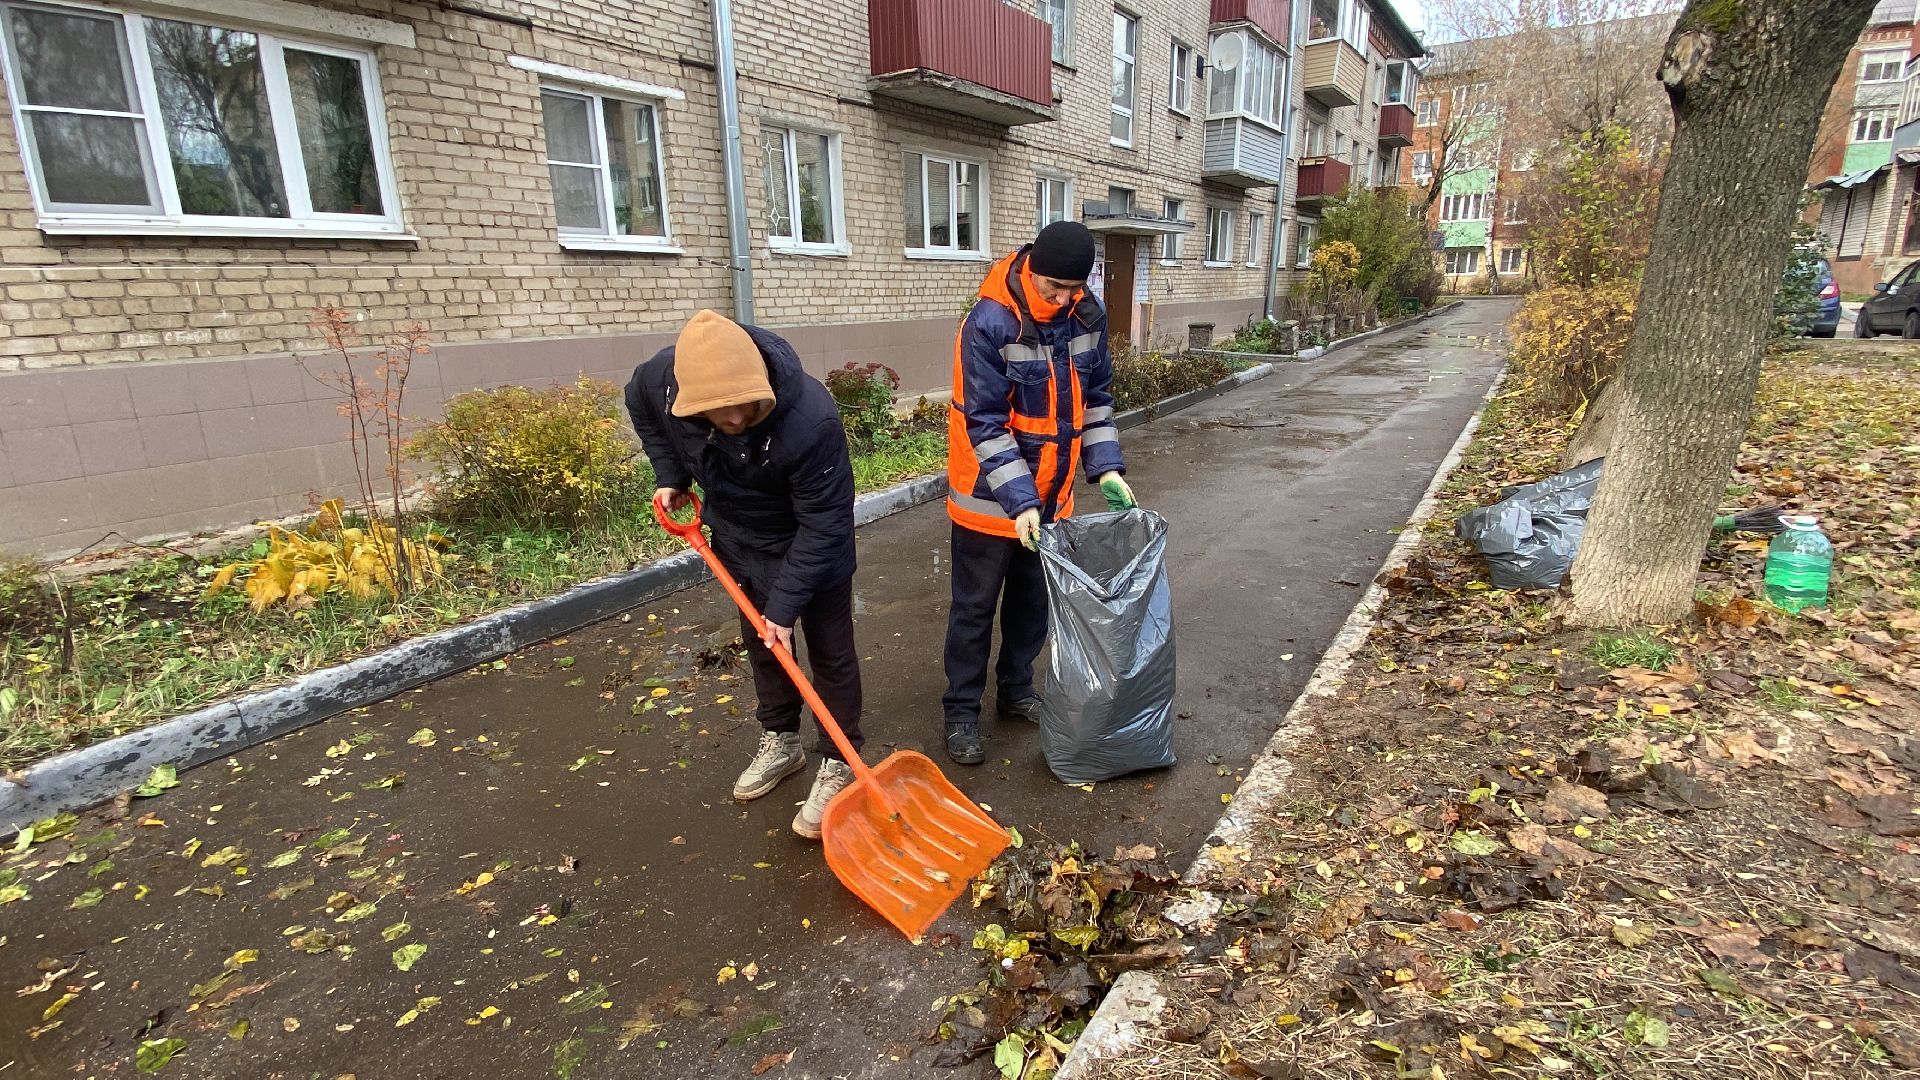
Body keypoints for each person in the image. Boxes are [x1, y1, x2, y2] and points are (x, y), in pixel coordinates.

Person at [625, 310, 862, 839]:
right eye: (717, 409)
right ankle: (782, 740)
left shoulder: (811, 419)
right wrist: (671, 474)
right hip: (737, 538)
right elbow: (638, 402)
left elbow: (824, 523)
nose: (732, 418)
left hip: (809, 541)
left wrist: (784, 606)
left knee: (830, 652)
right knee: (763, 645)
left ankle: (840, 758)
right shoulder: (662, 381)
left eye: (743, 404)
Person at [941, 220, 1135, 765]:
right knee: (974, 610)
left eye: (1075, 288)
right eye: (1055, 287)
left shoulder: (1087, 315)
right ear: (1031, 271)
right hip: (988, 499)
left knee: (1032, 604)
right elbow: (985, 423)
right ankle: (960, 713)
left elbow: (1096, 401)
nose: (1064, 299)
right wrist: (1020, 502)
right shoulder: (990, 322)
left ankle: (1016, 690)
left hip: (1051, 499)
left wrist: (1106, 469)